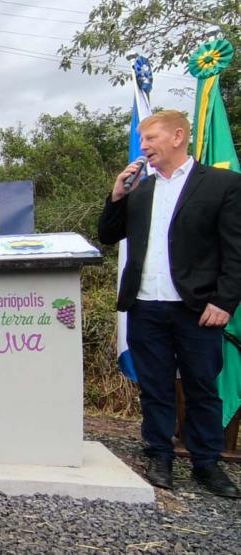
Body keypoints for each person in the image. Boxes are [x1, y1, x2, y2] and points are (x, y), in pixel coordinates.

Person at [98, 109, 241, 498]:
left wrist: (225, 301)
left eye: (151, 139)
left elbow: (236, 250)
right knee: (156, 386)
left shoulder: (221, 185)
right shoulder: (140, 189)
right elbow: (108, 235)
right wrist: (116, 195)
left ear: (178, 137)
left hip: (197, 308)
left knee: (201, 386)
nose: (143, 147)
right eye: (142, 141)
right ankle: (159, 454)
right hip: (145, 306)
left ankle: (207, 463)